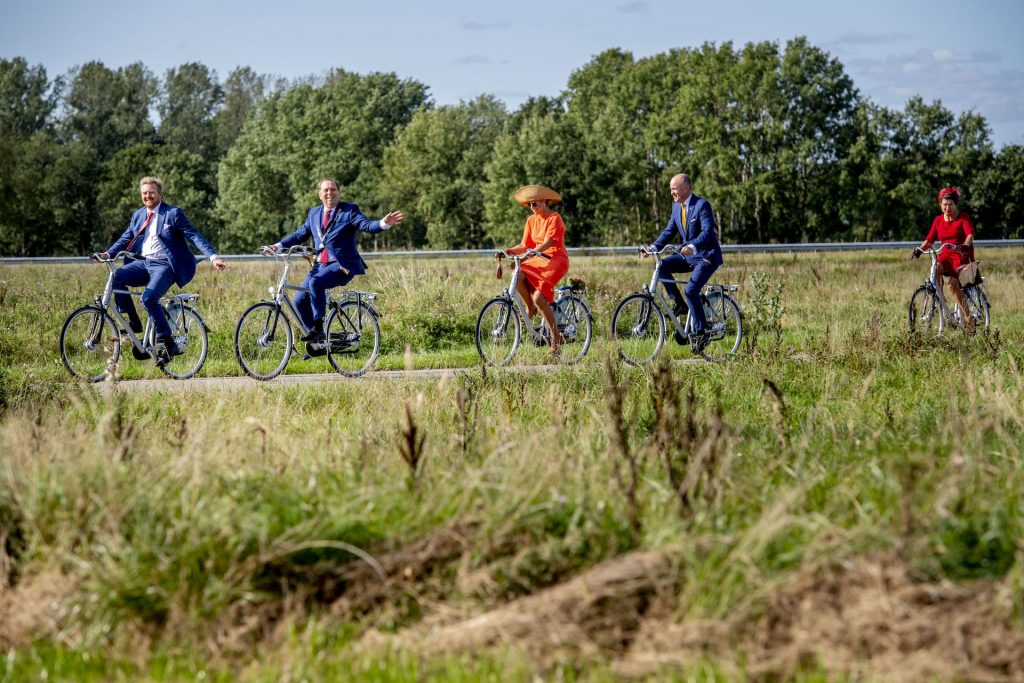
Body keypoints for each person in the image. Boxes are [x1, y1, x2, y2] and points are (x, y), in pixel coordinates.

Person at [98, 176, 226, 365]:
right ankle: (134, 322)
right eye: (144, 193)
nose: (147, 196)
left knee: (148, 298)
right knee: (117, 277)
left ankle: (167, 341)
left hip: (165, 266)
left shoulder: (173, 213)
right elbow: (126, 237)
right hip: (144, 263)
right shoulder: (138, 215)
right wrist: (108, 254)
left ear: (160, 194)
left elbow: (194, 235)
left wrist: (213, 257)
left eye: (151, 192)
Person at [266, 177, 403, 344]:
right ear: (319, 194)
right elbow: (299, 234)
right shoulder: (314, 213)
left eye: (333, 190)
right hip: (320, 265)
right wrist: (278, 246)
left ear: (339, 192)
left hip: (342, 266)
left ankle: (318, 328)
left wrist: (383, 223)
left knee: (315, 283)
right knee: (299, 299)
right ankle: (317, 343)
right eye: (326, 190)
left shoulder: (349, 211)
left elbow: (367, 225)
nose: (329, 193)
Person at [645, 173, 723, 352]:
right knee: (661, 266)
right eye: (671, 189)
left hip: (705, 256)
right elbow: (669, 230)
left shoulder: (702, 205)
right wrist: (653, 248)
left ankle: (701, 332)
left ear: (686, 188)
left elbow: (707, 232)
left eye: (675, 188)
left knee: (691, 290)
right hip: (687, 255)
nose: (672, 192)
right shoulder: (676, 207)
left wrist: (693, 246)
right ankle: (679, 304)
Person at [497, 184, 570, 356]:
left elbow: (548, 243)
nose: (532, 208)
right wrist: (508, 251)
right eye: (530, 205)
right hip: (537, 258)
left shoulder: (554, 218)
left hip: (555, 259)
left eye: (535, 204)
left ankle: (556, 337)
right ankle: (531, 307)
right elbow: (524, 245)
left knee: (539, 296)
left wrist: (527, 256)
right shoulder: (531, 221)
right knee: (517, 272)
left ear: (544, 202)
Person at [911, 186, 976, 333]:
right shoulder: (938, 220)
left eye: (950, 204)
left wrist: (966, 245)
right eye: (944, 204)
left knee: (953, 286)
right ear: (940, 205)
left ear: (956, 204)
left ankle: (968, 316)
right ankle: (942, 304)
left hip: (961, 255)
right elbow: (929, 240)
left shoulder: (963, 218)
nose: (947, 207)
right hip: (945, 255)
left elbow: (970, 234)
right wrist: (919, 250)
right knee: (934, 270)